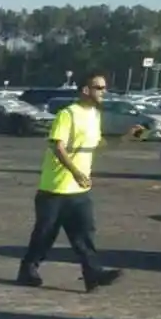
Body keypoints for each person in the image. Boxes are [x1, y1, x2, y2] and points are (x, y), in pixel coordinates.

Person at [16, 74, 122, 291]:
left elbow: (96, 145)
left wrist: (127, 138)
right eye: (99, 87)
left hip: (79, 190)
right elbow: (57, 146)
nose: (104, 91)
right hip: (54, 188)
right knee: (45, 235)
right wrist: (74, 171)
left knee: (84, 234)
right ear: (85, 90)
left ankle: (93, 275)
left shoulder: (94, 115)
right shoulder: (67, 114)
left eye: (104, 88)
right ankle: (27, 270)